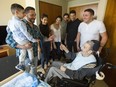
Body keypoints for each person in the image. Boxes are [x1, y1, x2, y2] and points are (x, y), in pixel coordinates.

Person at [6, 6, 44, 75]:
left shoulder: (35, 27)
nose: (34, 17)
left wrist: (48, 39)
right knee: (26, 74)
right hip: (25, 56)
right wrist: (23, 47)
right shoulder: (18, 24)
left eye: (35, 15)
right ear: (25, 14)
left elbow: (41, 37)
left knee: (34, 70)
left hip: (34, 53)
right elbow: (8, 40)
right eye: (32, 15)